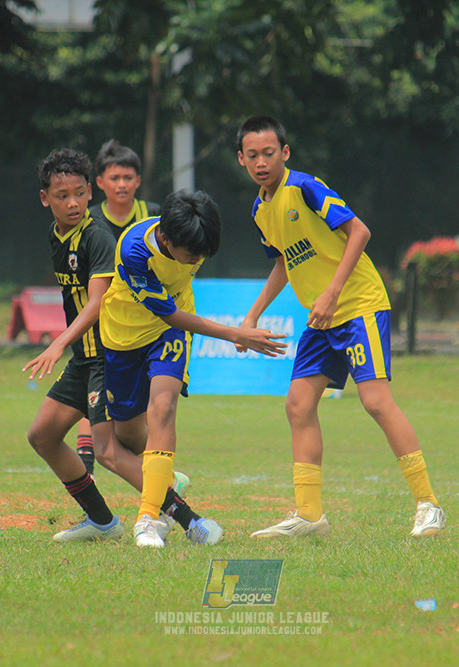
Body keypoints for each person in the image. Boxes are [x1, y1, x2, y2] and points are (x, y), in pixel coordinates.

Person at [235, 116, 446, 540]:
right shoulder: (260, 210)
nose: (261, 162)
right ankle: (310, 517)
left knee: (376, 402)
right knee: (298, 405)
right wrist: (251, 316)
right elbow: (284, 263)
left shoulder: (305, 187)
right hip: (322, 317)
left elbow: (359, 232)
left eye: (269, 153)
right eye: (252, 155)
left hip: (359, 305)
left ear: (285, 152)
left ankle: (429, 506)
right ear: (241, 159)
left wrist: (332, 292)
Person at [99, 188, 287, 548]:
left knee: (163, 408)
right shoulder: (135, 250)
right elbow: (167, 312)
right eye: (192, 255)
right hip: (123, 337)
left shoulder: (191, 236)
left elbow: (172, 320)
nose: (197, 260)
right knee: (129, 434)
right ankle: (168, 480)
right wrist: (236, 333)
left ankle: (147, 519)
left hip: (168, 334)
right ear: (166, 239)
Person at [22, 149, 194, 543]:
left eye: (79, 194)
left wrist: (57, 343)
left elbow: (97, 302)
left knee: (109, 451)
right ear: (45, 198)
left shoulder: (97, 236)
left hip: (106, 355)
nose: (73, 203)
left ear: (89, 192)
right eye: (62, 196)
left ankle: (188, 518)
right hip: (83, 357)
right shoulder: (57, 234)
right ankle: (103, 521)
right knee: (42, 435)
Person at [72, 140, 162, 475]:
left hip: (148, 325)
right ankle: (87, 465)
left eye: (127, 177)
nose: (121, 184)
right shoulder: (89, 221)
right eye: (114, 178)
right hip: (104, 324)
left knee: (142, 413)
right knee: (94, 391)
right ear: (100, 182)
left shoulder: (153, 216)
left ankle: (161, 471)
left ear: (138, 180)